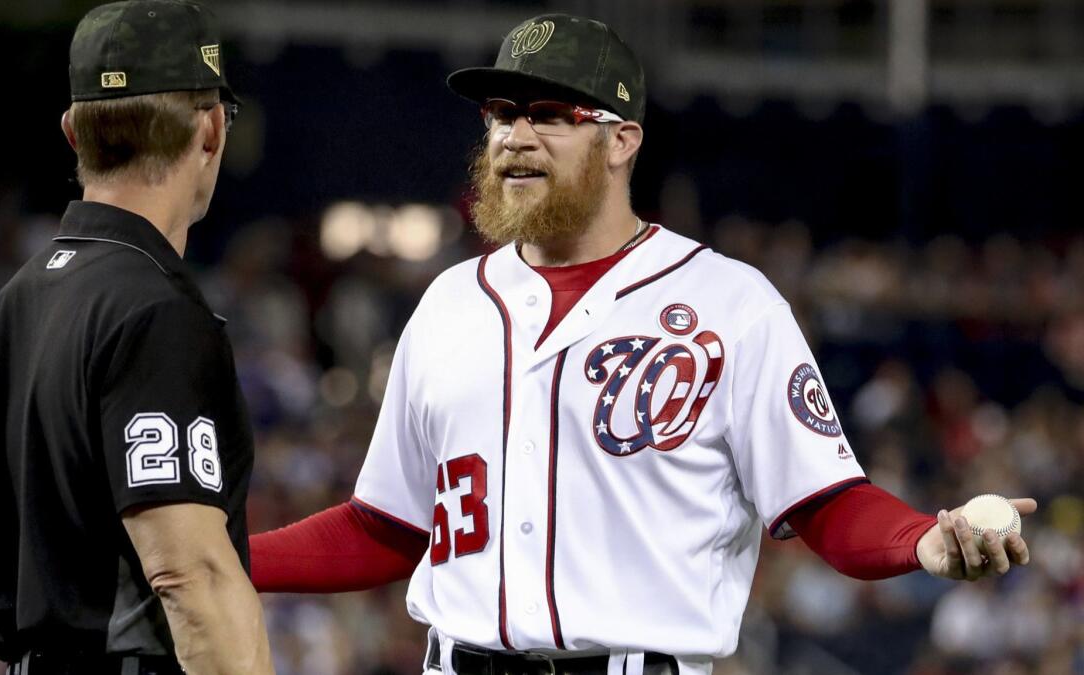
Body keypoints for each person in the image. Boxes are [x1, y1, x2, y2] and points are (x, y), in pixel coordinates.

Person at [249, 13, 1035, 675]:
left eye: (550, 115)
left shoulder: (729, 303)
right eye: (499, 113)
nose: (514, 137)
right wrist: (225, 558)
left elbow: (827, 503)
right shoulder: (450, 304)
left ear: (622, 140)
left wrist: (921, 538)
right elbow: (383, 526)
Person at [0, 2, 272, 673]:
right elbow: (190, 574)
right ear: (211, 130)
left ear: (72, 130)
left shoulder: (15, 301)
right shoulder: (155, 309)